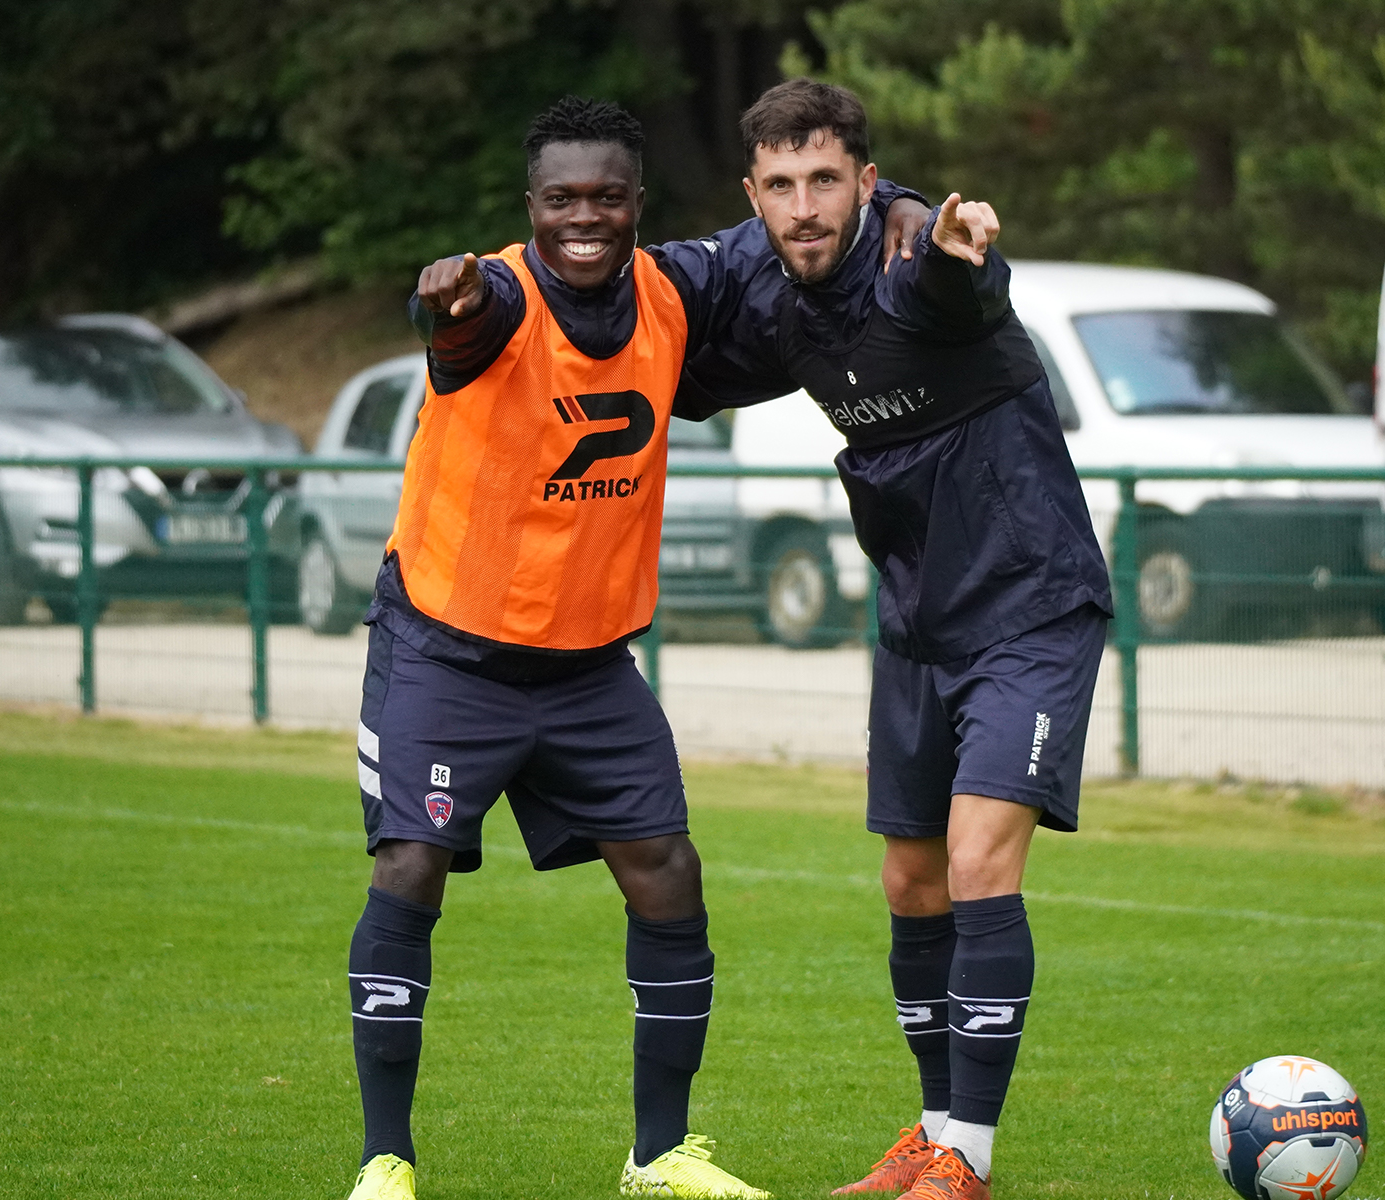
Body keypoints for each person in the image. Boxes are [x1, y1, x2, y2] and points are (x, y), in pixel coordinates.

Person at [344, 95, 929, 1200]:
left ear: (636, 206)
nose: (584, 218)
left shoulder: (673, 284)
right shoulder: (497, 295)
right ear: (530, 209)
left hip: (586, 666)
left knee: (668, 878)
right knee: (410, 867)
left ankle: (658, 1155)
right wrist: (450, 306)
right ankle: (386, 1160)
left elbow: (798, 219)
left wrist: (894, 202)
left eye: (605, 197)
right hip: (445, 652)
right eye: (560, 199)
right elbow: (460, 330)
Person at [677, 80, 1115, 1200]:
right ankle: (930, 1135)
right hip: (916, 624)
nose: (805, 205)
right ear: (753, 196)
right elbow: (669, 314)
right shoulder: (776, 290)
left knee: (976, 863)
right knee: (911, 881)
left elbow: (960, 284)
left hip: (1028, 607)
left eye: (827, 180)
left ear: (869, 185)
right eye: (781, 185)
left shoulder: (917, 265)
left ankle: (966, 1157)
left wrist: (961, 244)